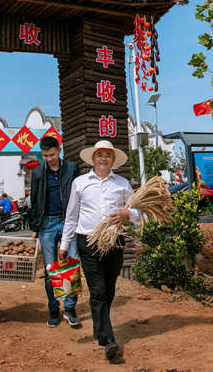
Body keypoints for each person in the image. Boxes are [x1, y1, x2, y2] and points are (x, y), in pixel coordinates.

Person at [59, 140, 139, 362]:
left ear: (113, 160)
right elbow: (71, 216)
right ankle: (108, 340)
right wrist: (64, 245)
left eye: (107, 155)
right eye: (100, 154)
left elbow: (137, 211)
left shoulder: (122, 183)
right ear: (93, 158)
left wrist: (127, 214)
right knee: (98, 289)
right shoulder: (80, 183)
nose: (103, 158)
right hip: (88, 242)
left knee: (109, 289)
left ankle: (99, 326)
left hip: (115, 241)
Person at [29, 135, 81, 328]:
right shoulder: (37, 173)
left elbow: (79, 195)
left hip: (69, 222)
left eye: (52, 155)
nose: (49, 159)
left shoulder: (72, 168)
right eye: (45, 156)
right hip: (47, 224)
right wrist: (35, 227)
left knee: (71, 267)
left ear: (59, 150)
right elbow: (34, 201)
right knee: (51, 269)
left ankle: (70, 308)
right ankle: (53, 309)